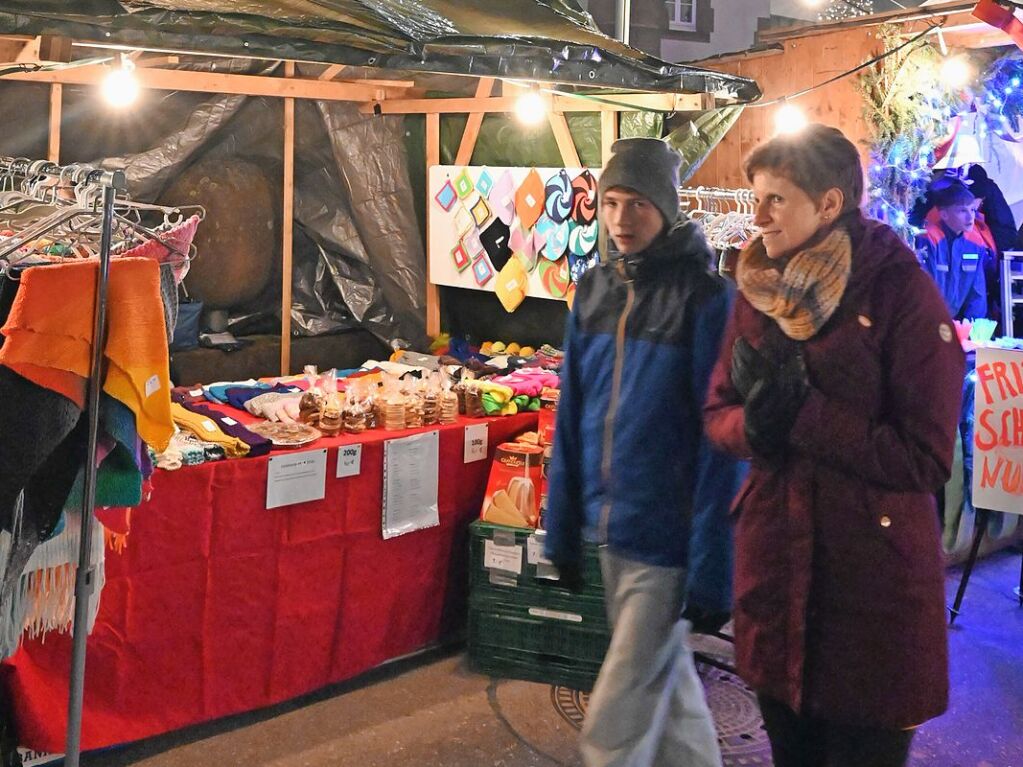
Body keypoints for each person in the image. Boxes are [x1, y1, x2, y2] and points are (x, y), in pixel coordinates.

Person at [703, 124, 964, 767]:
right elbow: (717, 412)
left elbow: (926, 456)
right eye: (755, 197)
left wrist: (807, 417)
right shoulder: (755, 291)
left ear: (829, 205)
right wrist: (753, 427)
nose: (757, 216)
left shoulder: (898, 290)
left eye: (776, 200)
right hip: (775, 578)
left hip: (870, 598)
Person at [544, 137, 743, 767]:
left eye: (639, 205)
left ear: (668, 209)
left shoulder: (707, 300)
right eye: (611, 203)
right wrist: (561, 528)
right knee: (670, 693)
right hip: (610, 529)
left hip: (667, 537)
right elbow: (571, 414)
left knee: (616, 718)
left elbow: (722, 446)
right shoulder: (592, 292)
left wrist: (714, 564)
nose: (622, 220)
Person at [915, 178, 992, 321]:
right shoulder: (928, 239)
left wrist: (974, 333)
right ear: (944, 215)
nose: (970, 217)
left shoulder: (975, 243)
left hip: (955, 322)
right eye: (962, 211)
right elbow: (924, 290)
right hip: (927, 320)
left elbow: (978, 294)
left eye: (973, 210)